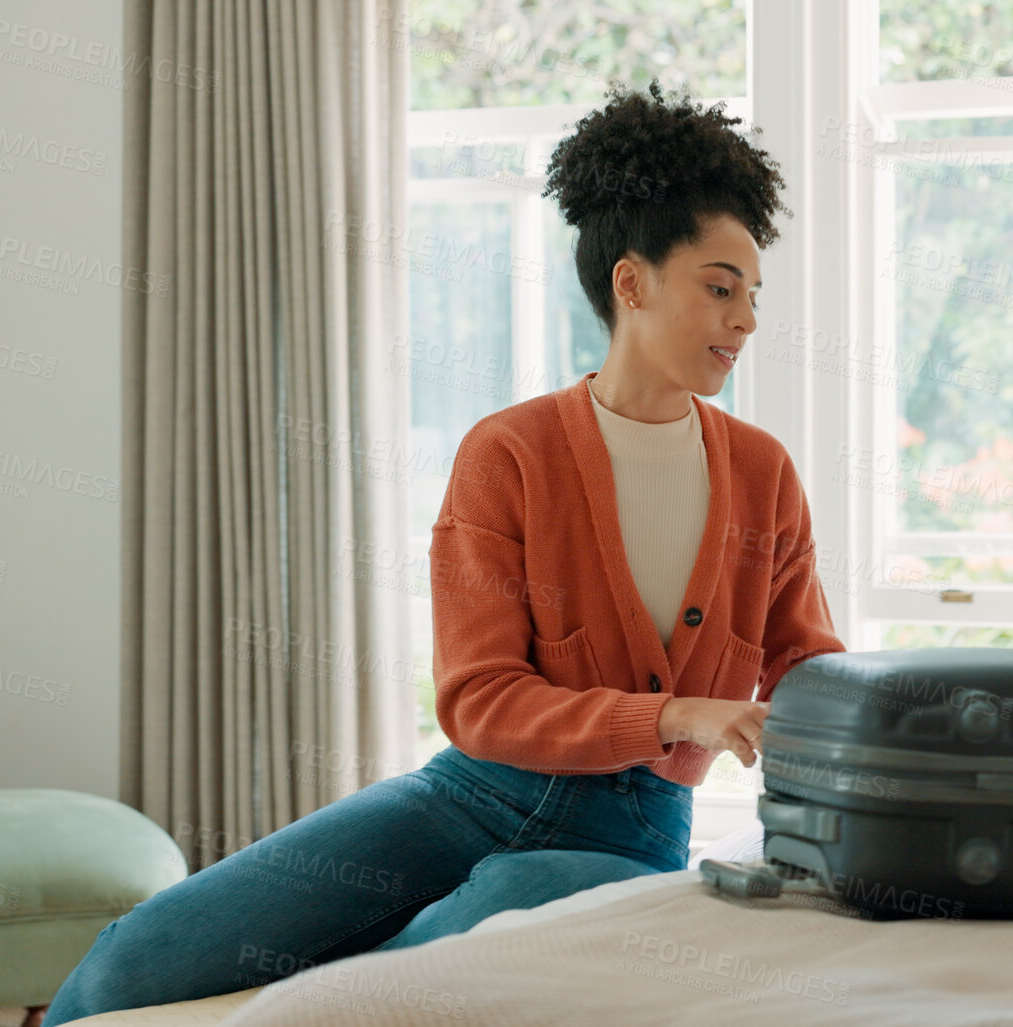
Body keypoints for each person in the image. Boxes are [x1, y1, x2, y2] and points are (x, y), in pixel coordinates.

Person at [43, 81, 843, 1024]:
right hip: (466, 796)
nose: (746, 318)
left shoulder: (762, 473)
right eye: (719, 287)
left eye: (752, 292)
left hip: (626, 836)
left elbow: (811, 668)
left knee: (377, 986)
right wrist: (678, 713)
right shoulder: (511, 452)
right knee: (131, 964)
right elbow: (479, 698)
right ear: (632, 283)